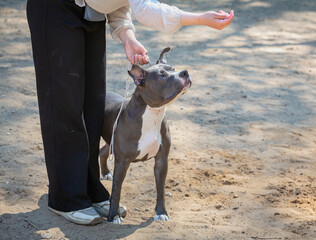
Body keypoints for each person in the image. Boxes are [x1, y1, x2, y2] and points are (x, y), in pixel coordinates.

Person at [27, 0, 234, 225]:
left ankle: (89, 189)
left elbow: (119, 2)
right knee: (64, 100)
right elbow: (145, 7)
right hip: (56, 7)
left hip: (91, 12)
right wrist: (199, 19)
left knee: (93, 101)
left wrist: (127, 36)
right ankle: (66, 197)